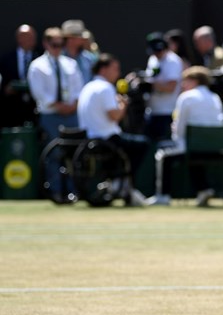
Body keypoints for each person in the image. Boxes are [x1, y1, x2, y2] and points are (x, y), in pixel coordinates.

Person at [76, 54, 149, 206]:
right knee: (142, 144)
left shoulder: (87, 87)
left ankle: (118, 181)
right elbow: (114, 116)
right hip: (106, 139)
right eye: (115, 69)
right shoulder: (105, 88)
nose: (118, 73)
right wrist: (123, 105)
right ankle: (123, 183)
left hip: (90, 138)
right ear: (103, 69)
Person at [148, 66, 223, 207]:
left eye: (186, 81)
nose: (183, 85)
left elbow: (179, 128)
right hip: (215, 149)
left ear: (195, 81)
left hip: (191, 147)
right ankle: (204, 189)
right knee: (195, 155)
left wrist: (177, 136)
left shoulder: (186, 97)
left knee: (163, 154)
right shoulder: (215, 97)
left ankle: (163, 195)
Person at [27, 27, 84, 203]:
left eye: (61, 44)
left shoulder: (70, 64)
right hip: (51, 115)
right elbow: (40, 94)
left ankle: (75, 191)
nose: (58, 47)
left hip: (72, 115)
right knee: (54, 154)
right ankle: (56, 191)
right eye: (54, 44)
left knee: (75, 154)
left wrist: (72, 105)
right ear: (45, 43)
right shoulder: (37, 66)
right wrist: (59, 106)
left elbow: (78, 88)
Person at [143, 31, 183, 142]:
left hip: (167, 112)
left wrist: (151, 84)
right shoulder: (152, 59)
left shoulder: (173, 61)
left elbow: (171, 87)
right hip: (152, 110)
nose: (158, 53)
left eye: (160, 50)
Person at [0, 24, 40, 129]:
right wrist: (6, 90)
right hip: (12, 109)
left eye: (33, 37)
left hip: (34, 108)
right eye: (28, 37)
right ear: (19, 39)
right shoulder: (6, 59)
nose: (32, 40)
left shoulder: (39, 58)